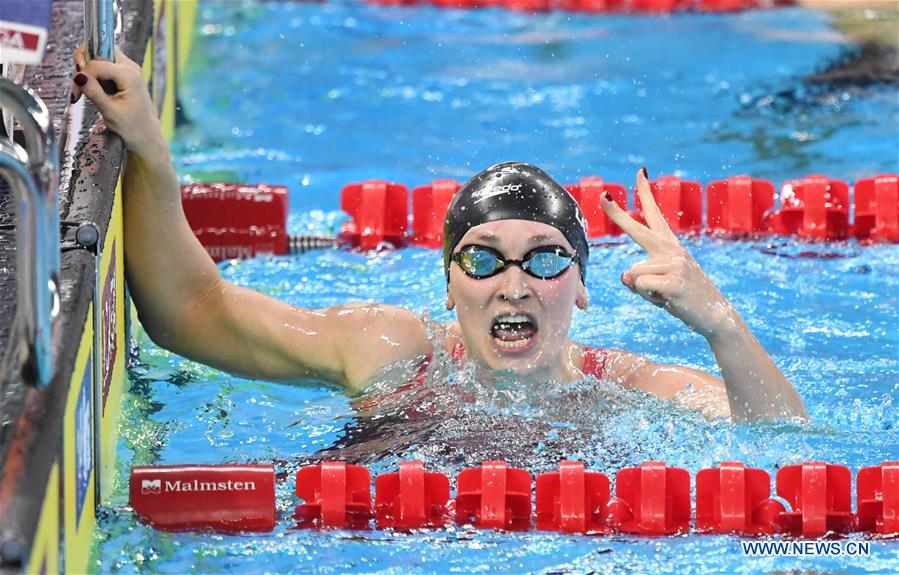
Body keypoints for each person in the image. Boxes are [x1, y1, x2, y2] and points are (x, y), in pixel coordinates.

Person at [69, 47, 808, 424]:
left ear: (580, 286)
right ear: (446, 277)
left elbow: (779, 440)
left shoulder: (622, 390)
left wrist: (719, 323)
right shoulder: (388, 350)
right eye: (483, 259)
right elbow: (188, 313)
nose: (513, 284)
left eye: (545, 260)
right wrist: (150, 152)